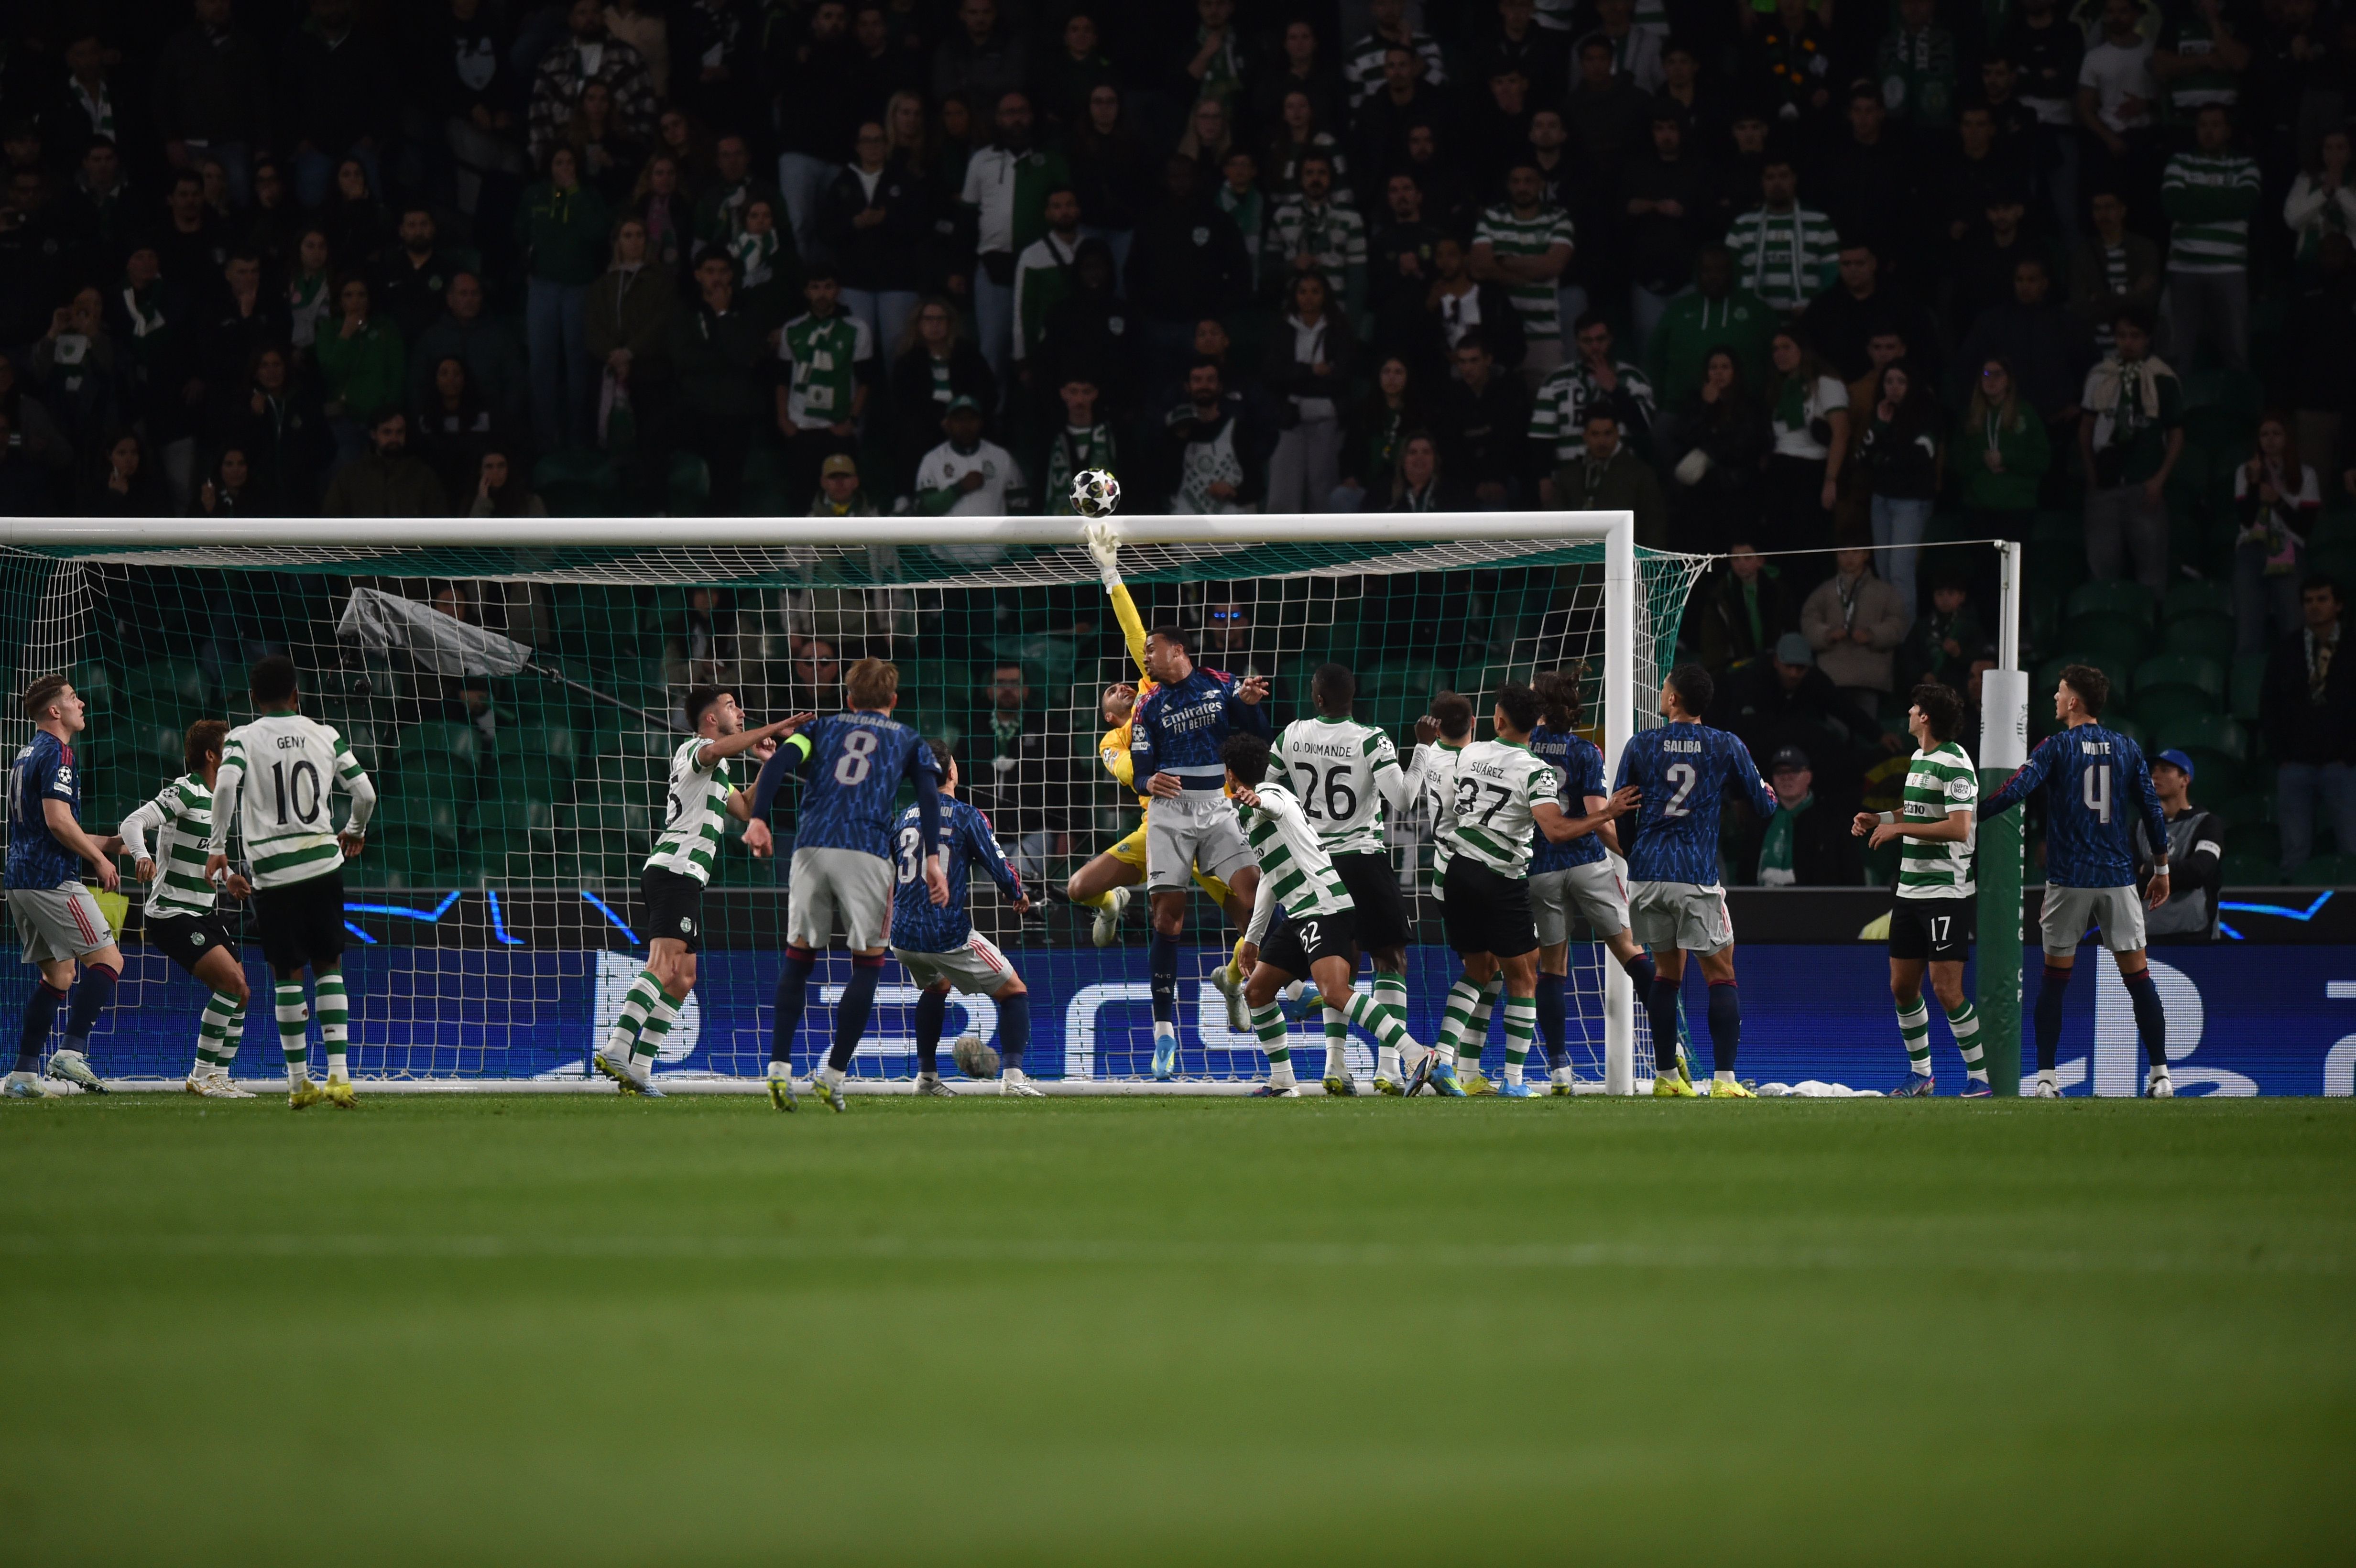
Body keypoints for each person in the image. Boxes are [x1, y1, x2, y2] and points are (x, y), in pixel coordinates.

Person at [750, 658, 947, 1112]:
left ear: (849, 698)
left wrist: (759, 819)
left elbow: (780, 760)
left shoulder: (819, 729)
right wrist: (932, 860)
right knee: (868, 963)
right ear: (894, 701)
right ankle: (834, 1075)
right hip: (866, 850)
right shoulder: (908, 740)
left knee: (799, 957)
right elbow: (929, 797)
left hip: (810, 846)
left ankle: (779, 1068)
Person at [1425, 682, 1639, 1098]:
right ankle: (1515, 1082)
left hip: (1456, 872)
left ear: (1498, 720)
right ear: (1535, 724)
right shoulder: (1535, 771)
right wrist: (1607, 814)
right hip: (1499, 879)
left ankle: (1443, 1060)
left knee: (1478, 970)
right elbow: (1556, 831)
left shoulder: (1470, 753)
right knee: (1523, 977)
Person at [1980, 664, 2176, 1098]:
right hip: (2117, 878)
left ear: (2073, 702)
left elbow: (2017, 788)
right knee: (2139, 978)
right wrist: (2161, 869)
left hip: (2069, 879)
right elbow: (2152, 810)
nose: (2054, 697)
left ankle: (2048, 1079)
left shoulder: (2056, 747)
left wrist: (1971, 816)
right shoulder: (2126, 748)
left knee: (2054, 980)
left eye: (2060, 691)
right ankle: (2161, 1074)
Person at [592, 687, 794, 1099]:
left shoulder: (717, 773)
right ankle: (616, 1048)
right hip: (673, 871)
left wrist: (768, 765)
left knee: (684, 977)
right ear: (710, 719)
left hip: (689, 876)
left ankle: (640, 1069)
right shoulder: (696, 750)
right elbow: (722, 748)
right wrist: (769, 730)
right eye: (731, 706)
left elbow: (747, 807)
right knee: (664, 964)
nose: (739, 711)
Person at [1061, 528, 1250, 959]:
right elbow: (1131, 773)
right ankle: (1110, 906)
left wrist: (1111, 574)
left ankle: (1235, 981)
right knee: (1080, 888)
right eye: (1110, 691)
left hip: (1212, 818)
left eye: (1126, 680)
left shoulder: (1156, 695)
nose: (1121, 686)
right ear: (1109, 714)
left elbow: (1134, 630)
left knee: (1251, 921)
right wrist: (1147, 778)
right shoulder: (1113, 738)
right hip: (1162, 829)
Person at [202, 655, 377, 1110]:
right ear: (297, 694)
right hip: (323, 865)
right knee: (329, 965)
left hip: (274, 874)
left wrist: (217, 846)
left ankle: (299, 1083)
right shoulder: (326, 734)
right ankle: (340, 1076)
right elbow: (366, 793)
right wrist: (354, 831)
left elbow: (224, 789)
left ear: (255, 699)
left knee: (287, 974)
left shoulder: (242, 738)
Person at [1227, 733, 1429, 1098]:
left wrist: (1257, 799)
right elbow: (1272, 879)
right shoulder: (1266, 805)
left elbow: (1270, 805)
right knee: (1257, 992)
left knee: (1335, 992)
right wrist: (1253, 940)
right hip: (1301, 913)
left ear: (1230, 775)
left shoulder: (1272, 798)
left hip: (1323, 906)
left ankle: (1416, 1055)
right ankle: (1283, 1082)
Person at [1614, 663, 1780, 1098]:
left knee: (1667, 973)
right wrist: (1768, 794)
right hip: (1694, 874)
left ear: (1672, 700)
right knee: (1721, 973)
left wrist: (1636, 857)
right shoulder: (1724, 744)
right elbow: (1763, 807)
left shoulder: (1641, 745)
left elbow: (1622, 809)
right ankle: (1725, 1080)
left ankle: (1666, 1078)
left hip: (1647, 875)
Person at [1130, 613, 1270, 1079]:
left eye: (1152, 648)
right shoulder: (1147, 705)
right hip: (1169, 815)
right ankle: (1164, 1033)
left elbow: (1255, 734)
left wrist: (1250, 703)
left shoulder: (1221, 683)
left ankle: (1242, 981)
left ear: (1177, 650)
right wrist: (1149, 778)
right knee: (1167, 917)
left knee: (1254, 900)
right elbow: (1140, 764)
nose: (1147, 656)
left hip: (1216, 806)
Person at [1266, 664, 1415, 1093]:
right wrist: (1422, 750)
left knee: (1337, 966)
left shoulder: (1290, 736)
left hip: (1315, 865)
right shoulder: (1372, 739)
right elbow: (1402, 799)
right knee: (1390, 960)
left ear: (1317, 699)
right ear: (1355, 697)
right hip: (1363, 860)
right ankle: (1389, 1069)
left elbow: (1269, 791)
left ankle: (1335, 1065)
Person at [1850, 684, 1992, 1095]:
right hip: (1910, 890)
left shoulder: (1956, 763)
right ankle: (1922, 1074)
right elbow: (1914, 812)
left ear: (1925, 716)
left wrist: (1899, 830)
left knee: (1947, 990)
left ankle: (1979, 1077)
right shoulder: (1918, 758)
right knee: (1902, 986)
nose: (1909, 712)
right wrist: (1880, 818)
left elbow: (1959, 826)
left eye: (1914, 707)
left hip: (1946, 891)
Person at [1525, 670, 1661, 1092]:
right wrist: (1635, 858)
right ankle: (1668, 1052)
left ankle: (1560, 1068)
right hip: (1588, 863)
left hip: (1541, 867)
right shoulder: (1586, 752)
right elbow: (1602, 823)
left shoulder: (1522, 749)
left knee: (1552, 965)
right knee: (1628, 949)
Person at [886, 740, 1038, 1097]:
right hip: (945, 933)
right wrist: (1018, 895)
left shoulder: (902, 818)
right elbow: (999, 866)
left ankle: (926, 1079)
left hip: (902, 935)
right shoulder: (966, 815)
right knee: (1015, 993)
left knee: (936, 987)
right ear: (953, 772)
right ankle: (1014, 1080)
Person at [117, 720, 255, 1097]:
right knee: (231, 983)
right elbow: (133, 823)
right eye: (229, 748)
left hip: (203, 912)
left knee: (242, 992)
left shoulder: (221, 800)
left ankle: (219, 1078)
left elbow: (208, 854)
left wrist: (228, 878)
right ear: (212, 755)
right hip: (170, 913)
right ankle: (202, 1076)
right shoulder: (186, 790)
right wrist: (142, 855)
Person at [3, 675, 125, 1099]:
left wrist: (109, 843)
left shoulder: (26, 754)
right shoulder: (60, 752)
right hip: (51, 878)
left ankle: (22, 1075)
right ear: (55, 711)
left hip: (20, 879)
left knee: (59, 974)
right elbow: (57, 822)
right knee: (109, 960)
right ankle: (71, 1053)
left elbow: (49, 825)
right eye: (74, 698)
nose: (82, 704)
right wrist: (99, 859)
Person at [2078, 307, 2182, 595]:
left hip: (2145, 486)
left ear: (2148, 338)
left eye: (2135, 336)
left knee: (2152, 576)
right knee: (2102, 573)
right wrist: (2092, 478)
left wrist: (2159, 481)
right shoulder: (2100, 376)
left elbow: (2176, 434)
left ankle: (2148, 633)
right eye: (2122, 336)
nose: (2127, 343)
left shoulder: (2162, 379)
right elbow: (2086, 429)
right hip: (2106, 486)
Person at [2259, 576, 2356, 877]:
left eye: (2322, 599)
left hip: (2344, 764)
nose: (2314, 607)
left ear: (2338, 605)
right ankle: (2292, 921)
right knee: (2295, 851)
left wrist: (2351, 755)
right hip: (2296, 765)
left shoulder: (2353, 648)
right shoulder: (2288, 649)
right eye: (2308, 601)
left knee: (2352, 847)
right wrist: (2282, 757)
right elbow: (2269, 705)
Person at [2158, 104, 2260, 373]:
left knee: (2237, 352)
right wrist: (2224, 202)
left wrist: (2196, 198)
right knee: (2176, 354)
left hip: (2230, 269)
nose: (2209, 131)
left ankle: (2237, 410)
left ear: (2227, 130)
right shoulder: (2179, 162)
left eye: (2215, 125)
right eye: (2203, 125)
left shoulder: (2245, 165)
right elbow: (2174, 206)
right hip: (2183, 268)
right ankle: (2175, 412)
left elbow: (2245, 203)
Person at [775, 268, 876, 505]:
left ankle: (845, 545)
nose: (822, 294)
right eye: (816, 287)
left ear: (838, 291)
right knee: (802, 498)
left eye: (828, 287)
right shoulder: (792, 329)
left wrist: (851, 421)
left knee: (844, 501)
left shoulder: (857, 328)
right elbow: (781, 379)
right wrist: (783, 420)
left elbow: (866, 380)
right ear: (806, 292)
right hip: (801, 427)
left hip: (838, 427)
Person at [1853, 360, 1942, 625]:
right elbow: (1863, 458)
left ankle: (1903, 636)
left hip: (1911, 503)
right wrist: (1880, 426)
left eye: (1900, 382)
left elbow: (1920, 457)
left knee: (1900, 570)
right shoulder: (1882, 413)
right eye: (1889, 382)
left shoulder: (1928, 413)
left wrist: (1886, 458)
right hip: (1882, 499)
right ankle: (1889, 630)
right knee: (1883, 569)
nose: (1893, 388)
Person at [1469, 164, 1575, 383]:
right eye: (1516, 182)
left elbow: (1553, 266)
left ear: (1541, 185)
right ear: (1508, 186)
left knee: (1548, 405)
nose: (1522, 187)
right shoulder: (1492, 216)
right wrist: (1530, 271)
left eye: (1528, 181)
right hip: (1499, 332)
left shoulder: (1558, 217)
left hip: (1544, 332)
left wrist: (1502, 260)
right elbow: (1479, 267)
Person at [1263, 270, 1353, 514]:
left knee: (1322, 488)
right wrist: (1313, 371)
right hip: (1289, 417)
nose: (1309, 298)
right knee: (1284, 489)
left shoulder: (1339, 328)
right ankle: (1279, 547)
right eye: (1303, 292)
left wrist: (1296, 376)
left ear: (1325, 295)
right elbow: (1274, 374)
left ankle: (1324, 547)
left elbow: (1341, 378)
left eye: (1315, 291)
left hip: (1327, 417)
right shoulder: (1283, 328)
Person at [2233, 414, 2321, 655]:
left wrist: (2278, 503)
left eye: (2276, 434)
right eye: (2265, 434)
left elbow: (2305, 526)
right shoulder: (2244, 471)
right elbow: (2247, 519)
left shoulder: (2306, 474)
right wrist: (2253, 483)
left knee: (2294, 630)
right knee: (2248, 633)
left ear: (2287, 438)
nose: (2270, 440)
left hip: (2289, 549)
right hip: (2251, 549)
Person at [1760, 330, 1849, 559]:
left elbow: (1841, 433)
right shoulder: (1779, 387)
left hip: (1812, 469)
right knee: (1778, 540)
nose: (1780, 354)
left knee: (1806, 543)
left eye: (1786, 347)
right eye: (1775, 349)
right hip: (1781, 469)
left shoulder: (1826, 384)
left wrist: (1831, 480)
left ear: (1803, 350)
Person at [1801, 547, 1909, 716]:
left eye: (1855, 552)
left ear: (1866, 554)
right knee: (1837, 733)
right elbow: (1808, 623)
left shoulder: (1886, 592)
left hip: (1870, 676)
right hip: (1833, 677)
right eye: (1843, 553)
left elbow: (1898, 624)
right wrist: (1827, 634)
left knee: (1868, 733)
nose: (1849, 558)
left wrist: (1873, 634)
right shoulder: (1824, 592)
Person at [1724, 159, 1839, 314]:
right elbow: (1728, 273)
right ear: (1762, 182)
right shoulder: (1742, 225)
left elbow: (1832, 275)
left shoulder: (1820, 222)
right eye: (1770, 178)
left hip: (1807, 321)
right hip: (1753, 321)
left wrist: (1817, 308)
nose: (1777, 184)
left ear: (1794, 179)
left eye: (1784, 176)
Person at [1955, 358, 2051, 540]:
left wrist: (2006, 458)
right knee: (1983, 566)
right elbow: (1957, 460)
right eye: (1986, 374)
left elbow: (2042, 460)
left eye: (1998, 374)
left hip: (2017, 506)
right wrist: (1982, 458)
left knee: (2013, 567)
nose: (1991, 379)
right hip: (1978, 506)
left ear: (2009, 379)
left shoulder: (2025, 414)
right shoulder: (1971, 416)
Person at [2137, 748, 2225, 943]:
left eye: (2165, 770)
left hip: (2194, 934)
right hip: (2146, 934)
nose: (2155, 775)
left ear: (2185, 780)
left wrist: (2150, 869)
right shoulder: (2139, 826)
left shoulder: (2207, 823)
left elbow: (2199, 870)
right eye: (2153, 770)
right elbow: (2127, 879)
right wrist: (2178, 874)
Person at [1749, 743, 1863, 888]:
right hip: (1761, 903)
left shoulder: (1832, 822)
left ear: (1809, 777)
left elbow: (1851, 874)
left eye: (1794, 771)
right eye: (1780, 772)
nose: (1786, 778)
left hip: (1816, 905)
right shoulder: (1760, 819)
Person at [1555, 409, 1668, 549]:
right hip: (1577, 562)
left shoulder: (1640, 474)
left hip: (1624, 560)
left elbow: (1654, 525)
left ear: (1617, 434)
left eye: (1608, 433)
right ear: (1585, 436)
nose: (1602, 441)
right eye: (1595, 434)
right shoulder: (1568, 476)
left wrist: (1648, 562)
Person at [913, 394, 1028, 521]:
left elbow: (1020, 505)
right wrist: (960, 488)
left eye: (971, 419)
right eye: (959, 420)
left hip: (993, 539)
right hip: (950, 539)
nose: (966, 426)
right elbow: (924, 509)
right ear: (947, 424)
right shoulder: (933, 459)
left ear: (981, 422)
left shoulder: (1001, 457)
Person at [1693, 541, 1798, 673]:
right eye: (1735, 559)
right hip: (1737, 669)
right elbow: (1713, 641)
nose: (1741, 564)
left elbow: (1790, 628)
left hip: (1776, 666)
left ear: (1760, 561)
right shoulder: (1721, 596)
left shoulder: (1779, 591)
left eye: (1747, 558)